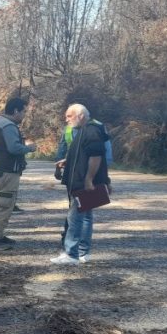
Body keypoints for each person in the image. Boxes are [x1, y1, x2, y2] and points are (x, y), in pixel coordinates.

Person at [51, 103, 111, 265]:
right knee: (85, 217)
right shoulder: (85, 130)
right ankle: (83, 253)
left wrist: (89, 179)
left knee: (75, 217)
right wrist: (69, 160)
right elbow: (85, 153)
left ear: (81, 116)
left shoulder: (91, 130)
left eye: (69, 116)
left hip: (82, 182)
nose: (66, 119)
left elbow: (96, 156)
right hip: (80, 180)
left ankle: (71, 254)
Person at [0, 96, 36, 249]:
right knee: (3, 205)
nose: (24, 115)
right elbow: (13, 148)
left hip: (0, 170)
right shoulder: (8, 126)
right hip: (6, 172)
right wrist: (29, 148)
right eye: (23, 112)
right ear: (15, 111)